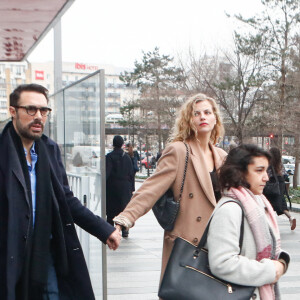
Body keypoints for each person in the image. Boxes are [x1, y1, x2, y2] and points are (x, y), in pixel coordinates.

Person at [0, 84, 121, 300]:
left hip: (45, 250)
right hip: (9, 251)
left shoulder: (49, 150)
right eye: (31, 109)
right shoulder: (3, 151)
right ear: (13, 112)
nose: (38, 116)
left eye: (43, 111)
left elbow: (66, 199)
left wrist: (104, 230)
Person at [113, 93, 227, 280]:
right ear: (188, 120)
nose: (203, 117)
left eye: (207, 112)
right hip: (187, 245)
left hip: (217, 245)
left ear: (215, 118)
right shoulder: (179, 151)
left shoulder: (222, 156)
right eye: (196, 113)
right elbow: (151, 189)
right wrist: (125, 218)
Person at [206, 144, 290, 300]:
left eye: (266, 170)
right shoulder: (230, 209)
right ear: (239, 173)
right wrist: (270, 271)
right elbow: (222, 263)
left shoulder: (258, 203)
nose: (266, 177)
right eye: (259, 171)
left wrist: (282, 262)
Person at [106, 136, 134, 237]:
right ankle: (125, 230)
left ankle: (110, 230)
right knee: (123, 208)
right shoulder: (127, 157)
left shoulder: (109, 156)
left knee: (111, 209)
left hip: (112, 186)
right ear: (122, 144)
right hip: (125, 186)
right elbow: (131, 174)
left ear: (113, 144)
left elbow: (107, 172)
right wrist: (132, 188)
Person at [263, 147, 296, 230]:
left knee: (267, 204)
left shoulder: (268, 163)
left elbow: (267, 174)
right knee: (281, 204)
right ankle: (290, 218)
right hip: (280, 185)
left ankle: (268, 223)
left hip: (271, 185)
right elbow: (285, 174)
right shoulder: (279, 163)